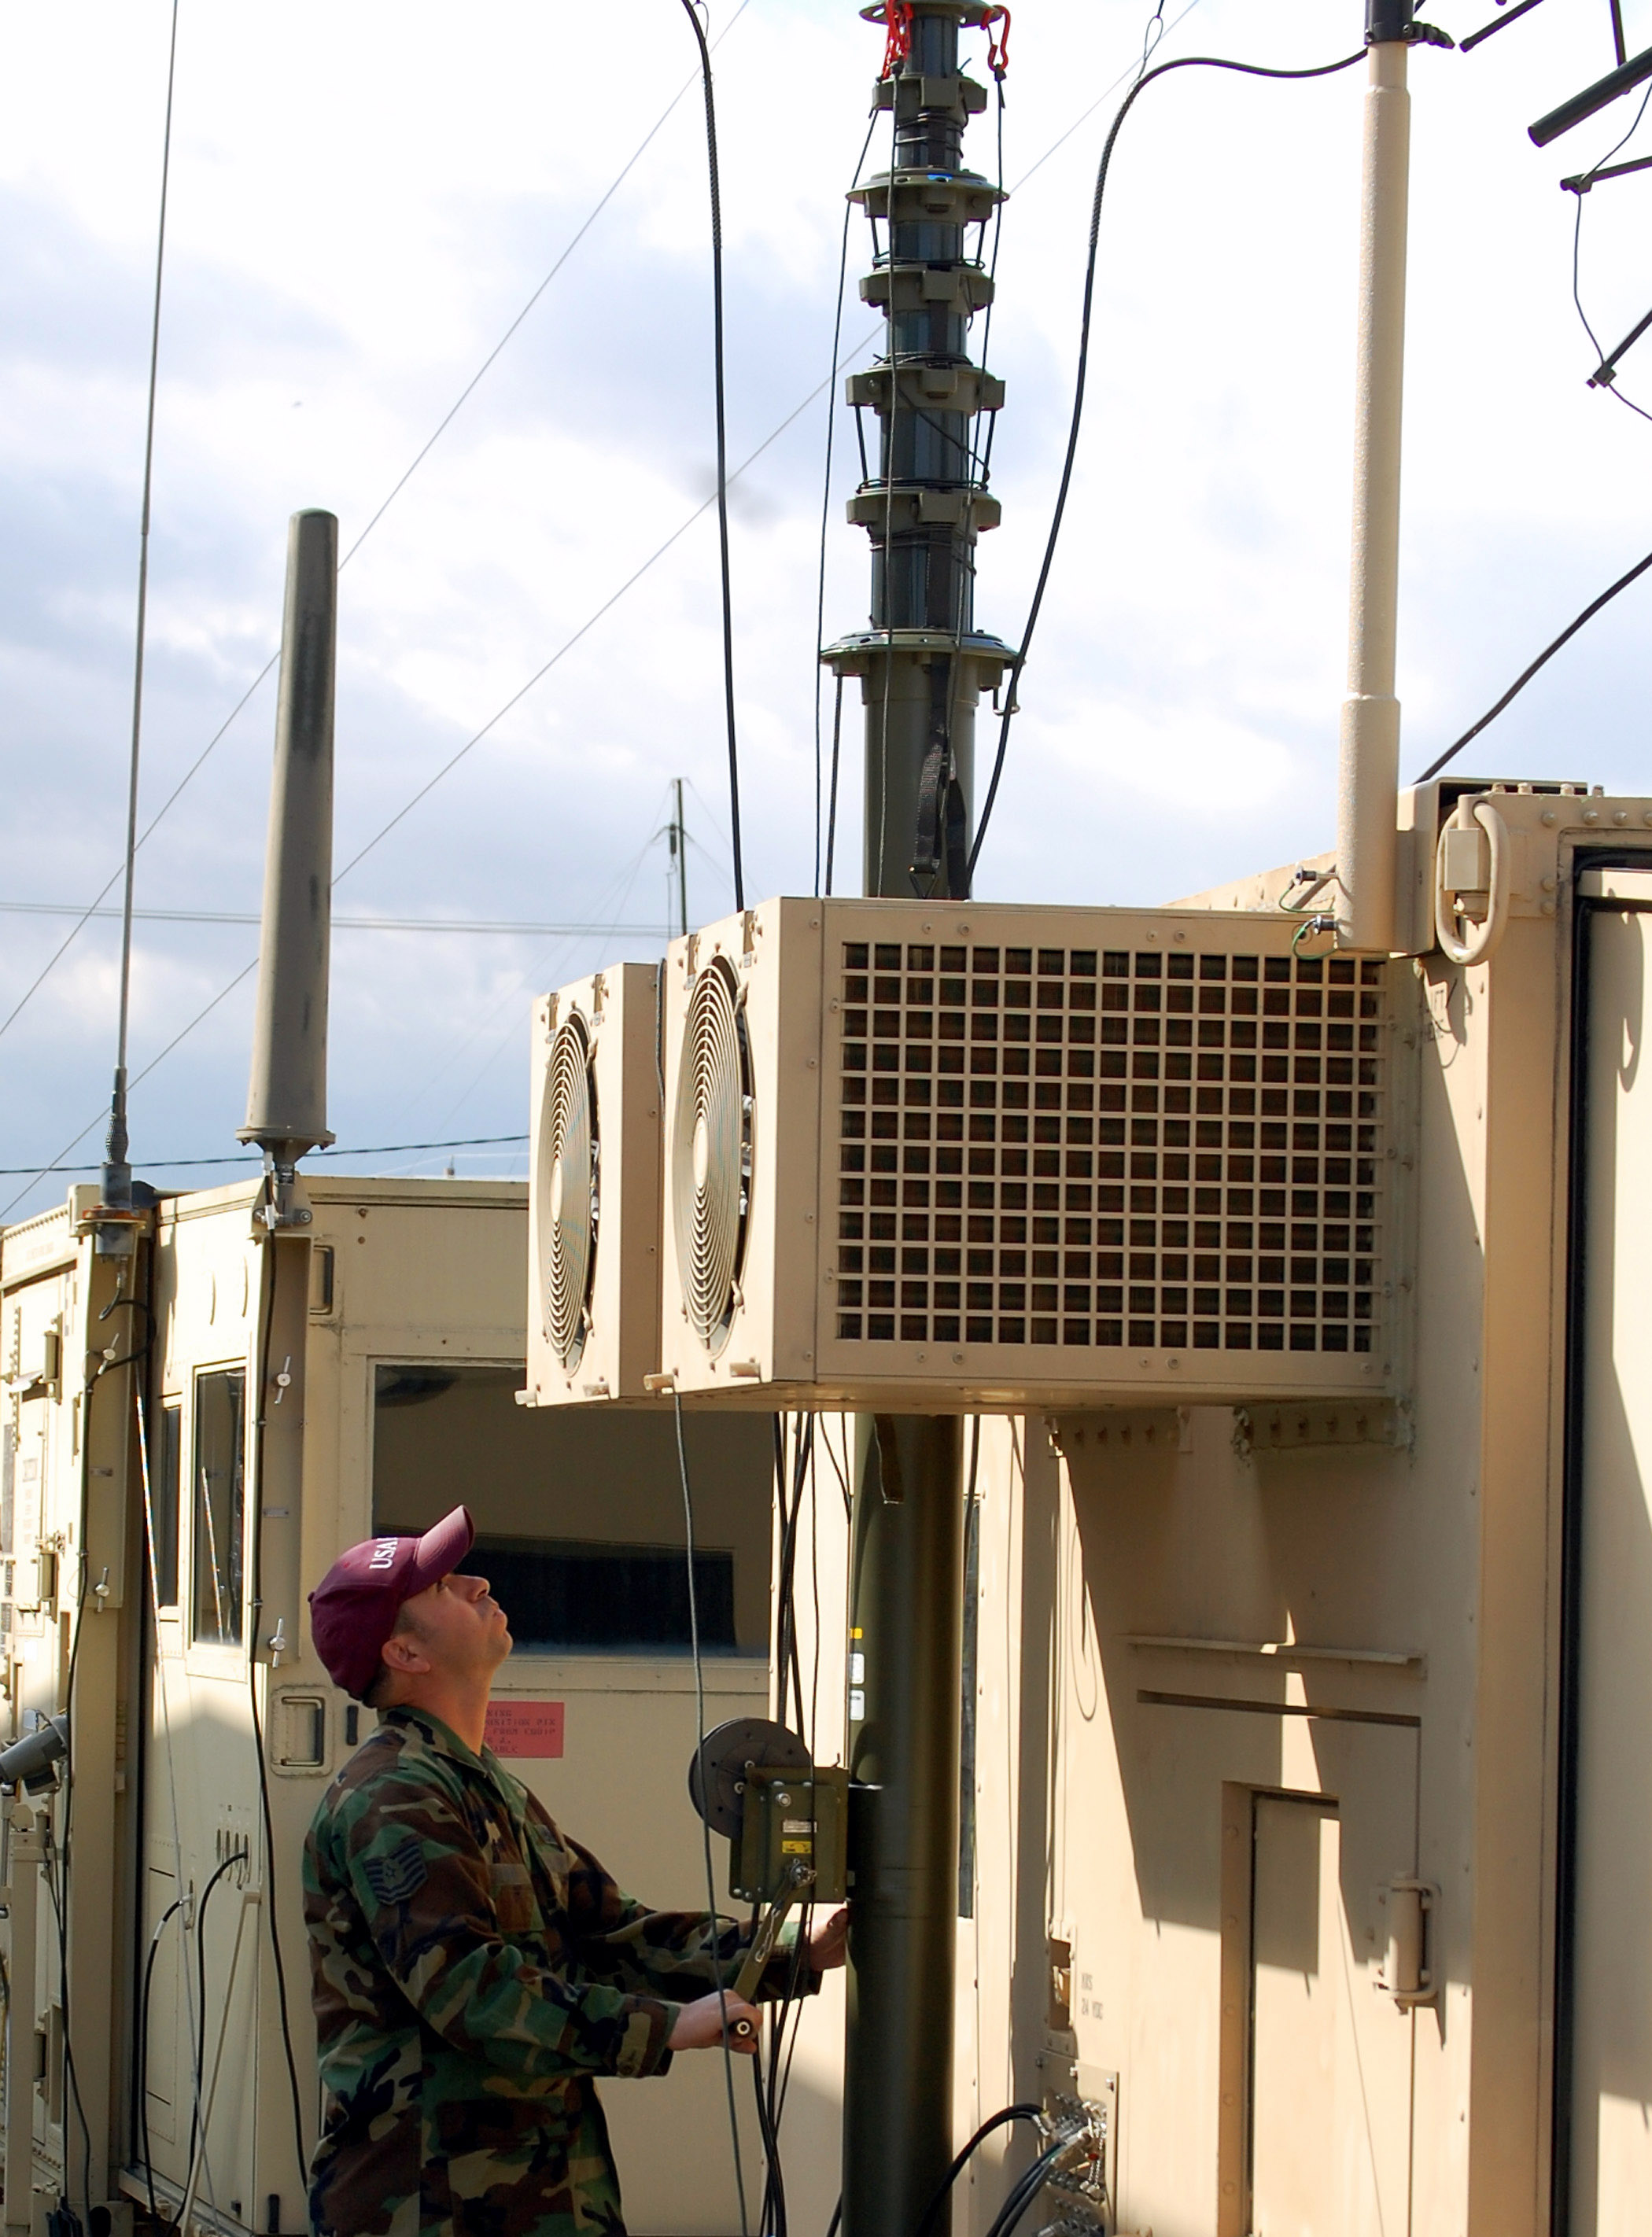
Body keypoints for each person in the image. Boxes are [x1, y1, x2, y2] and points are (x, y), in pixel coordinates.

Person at [303, 1505, 847, 2237]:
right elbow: (469, 1988)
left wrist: (785, 1952)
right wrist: (671, 2027)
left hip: (536, 2194)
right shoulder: (393, 1797)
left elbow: (612, 1936)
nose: (475, 1583)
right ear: (405, 1654)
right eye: (438, 1586)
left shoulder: (478, 1784)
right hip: (433, 2201)